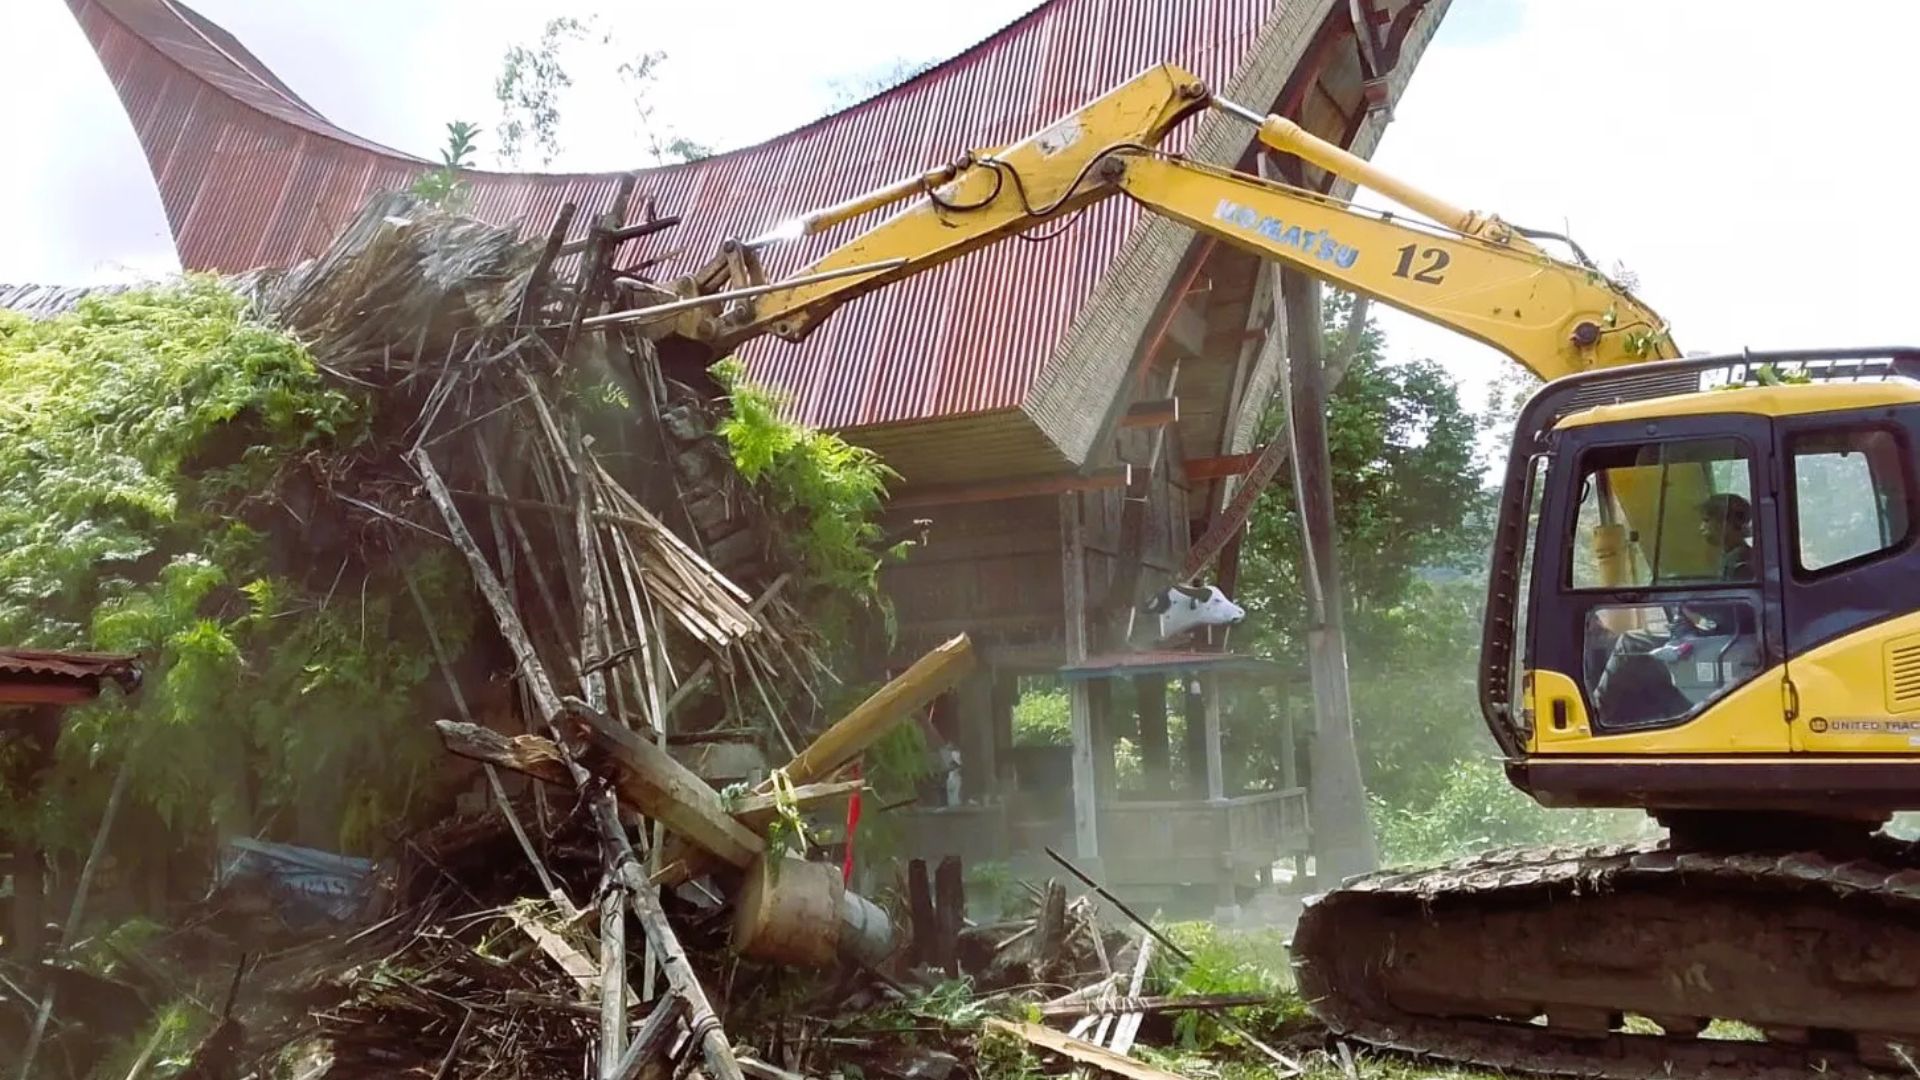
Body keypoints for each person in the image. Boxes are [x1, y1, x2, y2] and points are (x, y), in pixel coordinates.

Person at [1698, 492, 1754, 581]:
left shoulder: (1741, 565)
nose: (1701, 528)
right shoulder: (1729, 557)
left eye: (1706, 520)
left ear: (1727, 523)